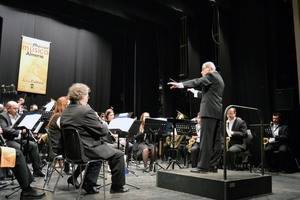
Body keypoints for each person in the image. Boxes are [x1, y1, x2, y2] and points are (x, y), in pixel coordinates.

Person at [60, 83, 128, 194]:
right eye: (87, 95)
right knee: (118, 155)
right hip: (85, 150)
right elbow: (102, 131)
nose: (88, 97)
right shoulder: (85, 111)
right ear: (81, 96)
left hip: (70, 152)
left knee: (101, 152)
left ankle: (89, 184)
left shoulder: (66, 112)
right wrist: (99, 120)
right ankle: (117, 187)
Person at [168, 61, 225, 173]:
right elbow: (209, 95)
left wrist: (181, 85)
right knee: (216, 141)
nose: (201, 72)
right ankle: (212, 165)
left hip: (208, 113)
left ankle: (203, 167)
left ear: (208, 69)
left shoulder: (212, 75)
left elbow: (197, 81)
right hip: (216, 113)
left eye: (202, 70)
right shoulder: (219, 79)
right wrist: (194, 91)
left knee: (206, 140)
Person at [0, 101, 44, 177]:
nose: (17, 110)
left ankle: (37, 170)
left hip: (18, 139)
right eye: (14, 108)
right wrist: (20, 131)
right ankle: (24, 174)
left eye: (17, 108)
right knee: (19, 148)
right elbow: (5, 129)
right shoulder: (3, 116)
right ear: (8, 109)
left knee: (33, 145)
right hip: (8, 140)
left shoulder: (18, 116)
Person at [0, 127, 45, 199]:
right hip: (8, 142)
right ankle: (26, 189)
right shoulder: (3, 116)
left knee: (31, 146)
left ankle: (31, 180)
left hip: (13, 140)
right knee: (17, 153)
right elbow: (6, 130)